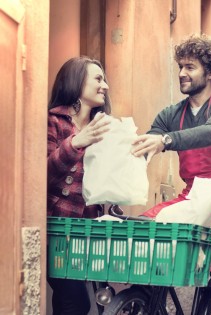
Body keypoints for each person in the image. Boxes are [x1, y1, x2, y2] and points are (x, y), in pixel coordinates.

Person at [132, 34, 211, 315]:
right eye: (180, 67)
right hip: (192, 197)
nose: (182, 74)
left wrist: (166, 141)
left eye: (190, 67)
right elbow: (147, 145)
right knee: (143, 227)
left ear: (210, 72)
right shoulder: (171, 114)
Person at [47, 56, 112, 315]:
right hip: (57, 228)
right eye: (98, 78)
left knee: (87, 301)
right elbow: (41, 174)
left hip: (89, 231)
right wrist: (75, 143)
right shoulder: (54, 122)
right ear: (77, 81)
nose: (105, 86)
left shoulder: (102, 127)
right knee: (75, 302)